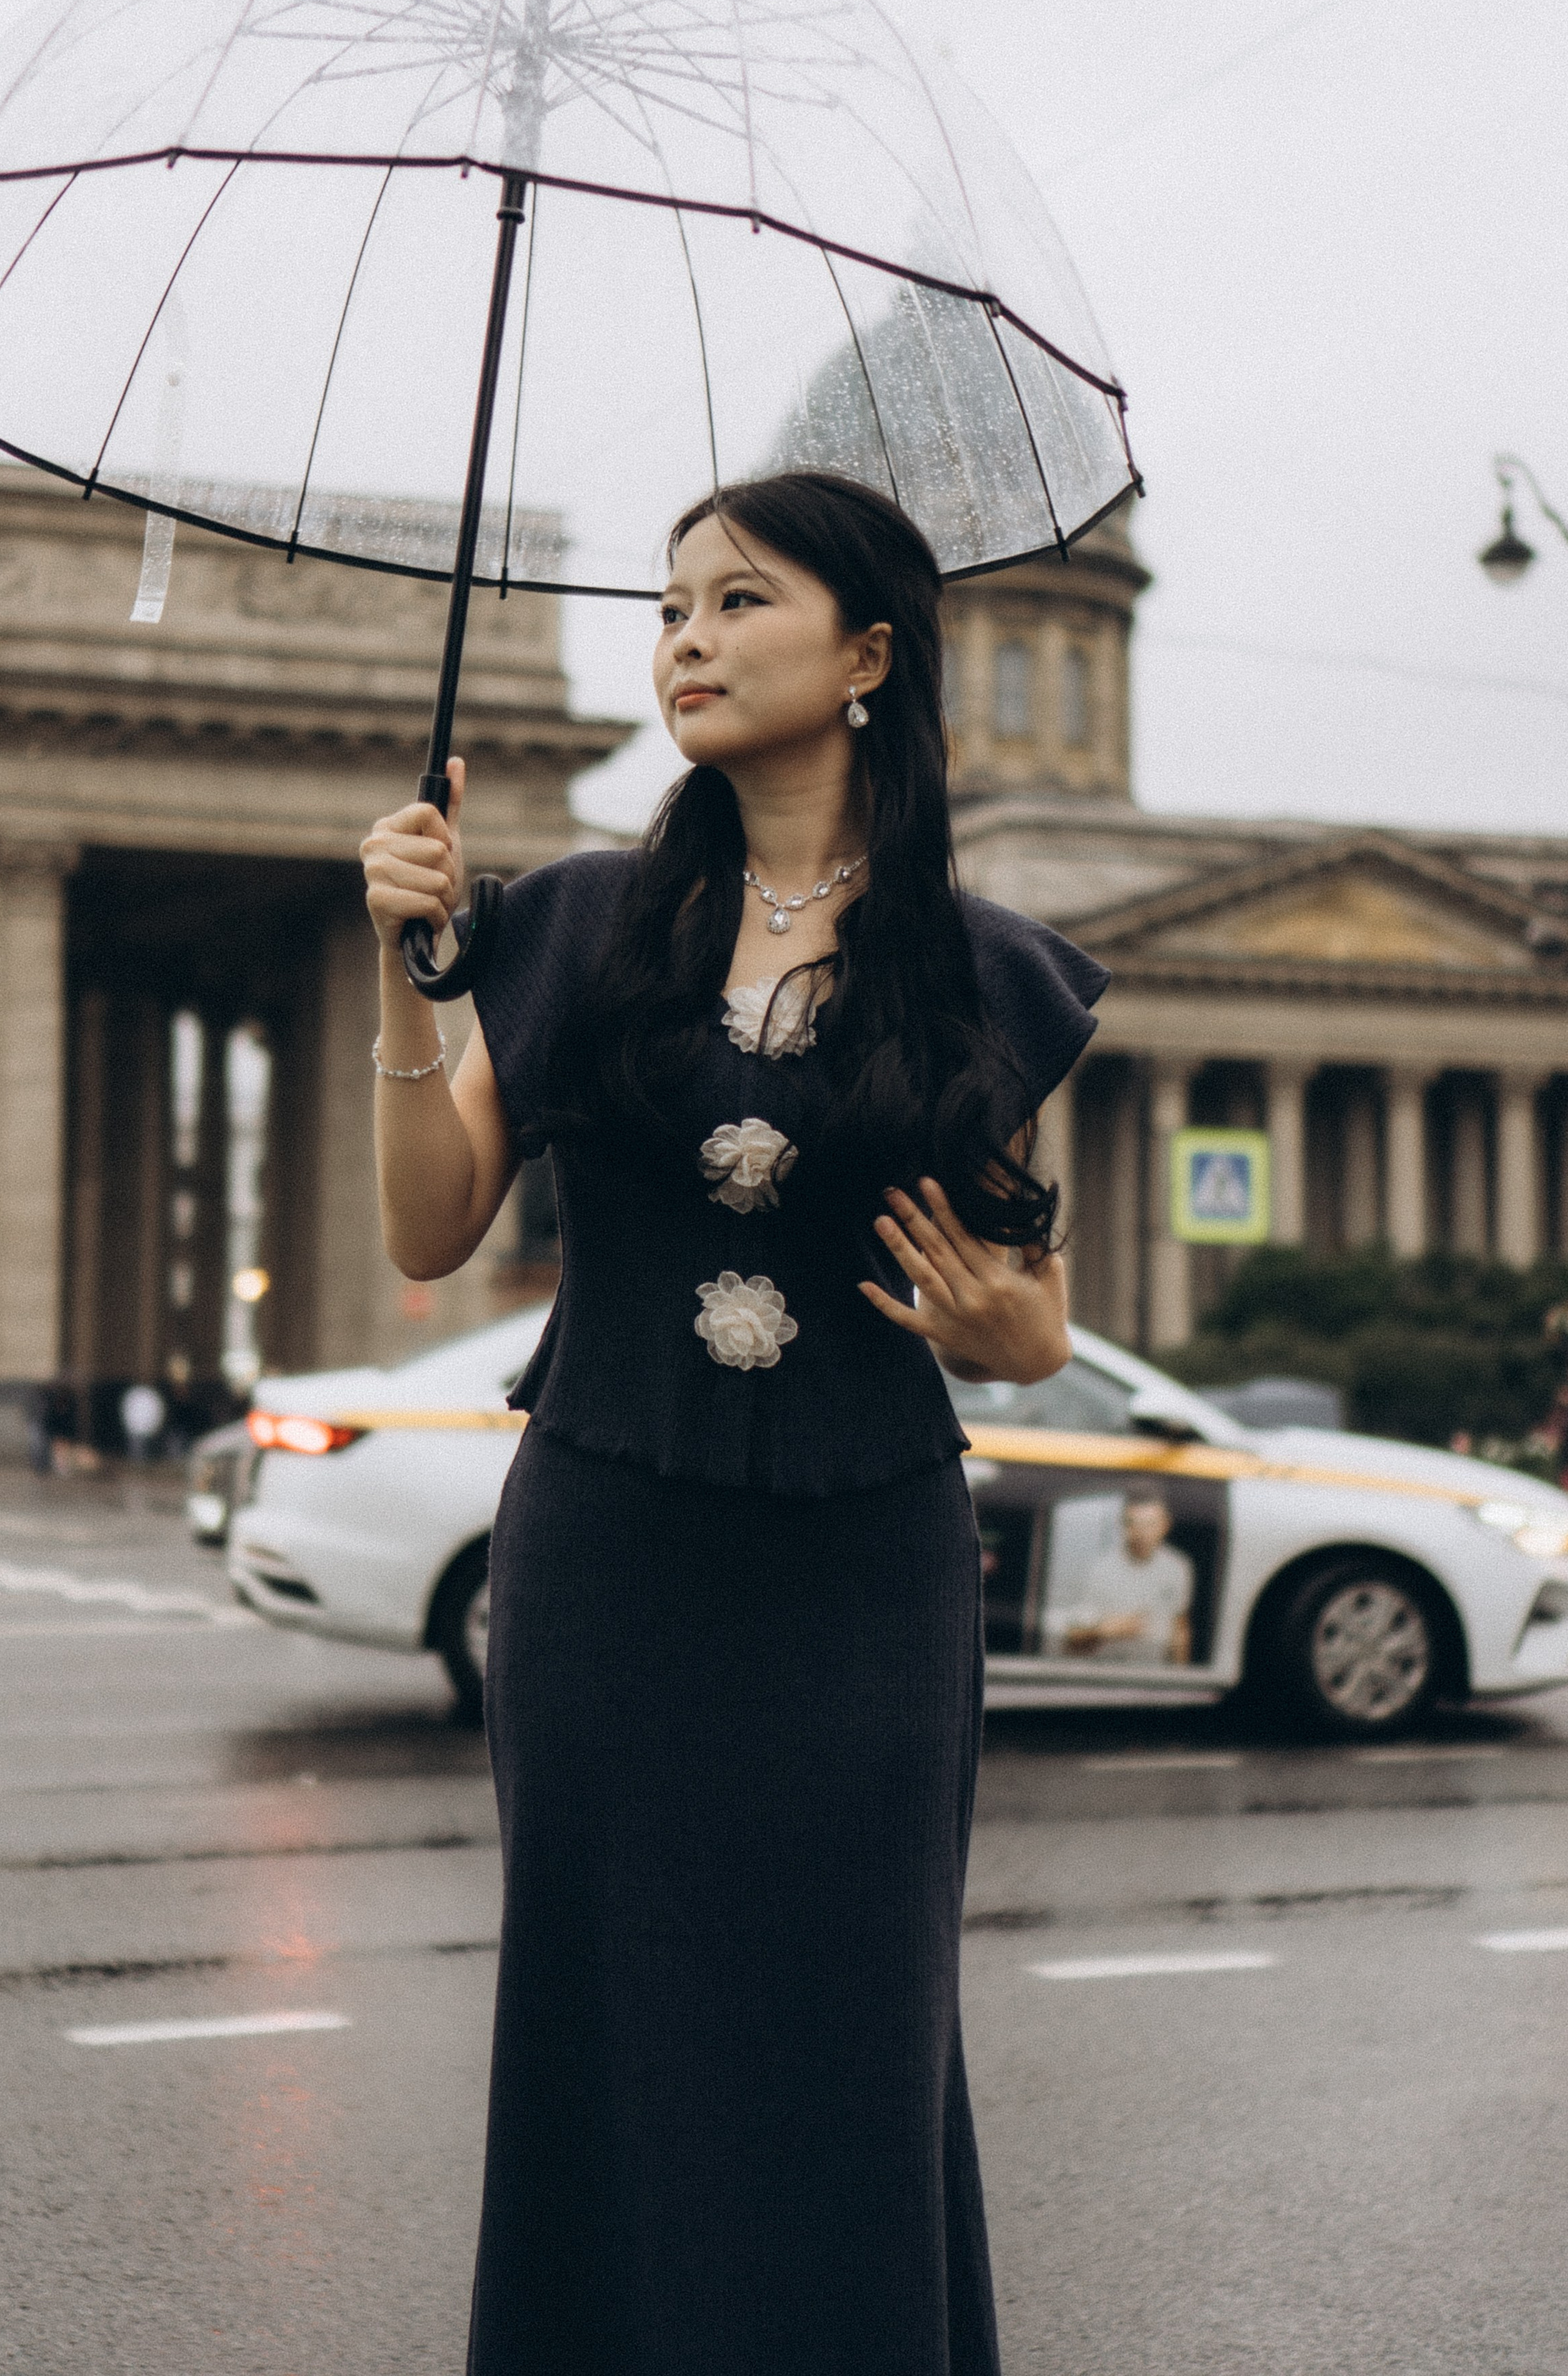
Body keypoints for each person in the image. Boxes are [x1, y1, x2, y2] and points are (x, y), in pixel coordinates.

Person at [361, 471, 1109, 2376]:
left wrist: (1015, 1336)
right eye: (671, 605)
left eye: (738, 602)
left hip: (865, 1553)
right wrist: (410, 977)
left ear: (868, 655)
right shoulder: (581, 919)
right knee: (604, 2016)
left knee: (851, 2028)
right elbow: (430, 1230)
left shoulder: (978, 960)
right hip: (611, 1535)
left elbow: (1031, 1307)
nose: (685, 639)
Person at [1060, 1493, 1194, 1665]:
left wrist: (1179, 1680)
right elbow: (1071, 1639)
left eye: (1150, 1524)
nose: (1142, 1533)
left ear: (1165, 1525)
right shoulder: (1099, 1570)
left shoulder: (1178, 1568)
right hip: (1107, 1674)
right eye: (1134, 1524)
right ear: (1123, 1526)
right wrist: (1106, 1630)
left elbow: (1180, 1629)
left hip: (1155, 1678)